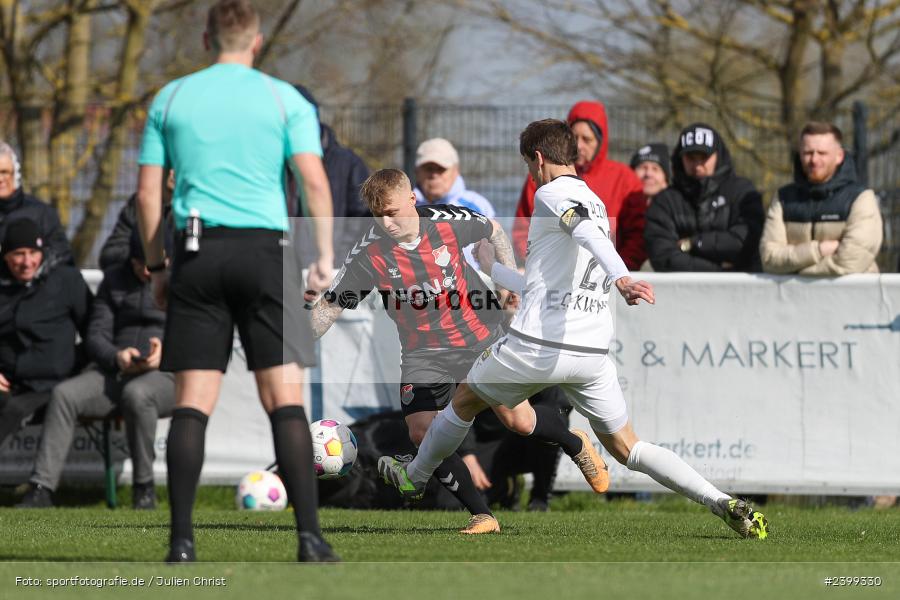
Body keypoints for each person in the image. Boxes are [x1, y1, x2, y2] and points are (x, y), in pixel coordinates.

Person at [379, 119, 769, 540]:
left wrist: (621, 278)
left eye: (529, 164)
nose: (530, 173)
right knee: (629, 448)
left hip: (538, 345)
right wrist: (494, 270)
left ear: (540, 159)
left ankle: (415, 476)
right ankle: (722, 501)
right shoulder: (595, 200)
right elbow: (542, 281)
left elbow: (584, 233)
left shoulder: (551, 192)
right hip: (592, 354)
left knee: (462, 402)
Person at [136, 0, 336, 563]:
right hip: (266, 253)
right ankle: (310, 539)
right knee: (285, 401)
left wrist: (157, 268)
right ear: (256, 40)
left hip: (197, 253)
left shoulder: (170, 97)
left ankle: (180, 543)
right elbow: (314, 180)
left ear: (206, 39)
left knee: (192, 403)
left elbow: (150, 195)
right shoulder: (284, 98)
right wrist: (321, 255)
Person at [308, 168, 606, 532]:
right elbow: (332, 305)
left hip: (479, 336)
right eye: (377, 214)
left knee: (519, 420)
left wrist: (506, 279)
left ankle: (573, 441)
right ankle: (483, 516)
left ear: (412, 201)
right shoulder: (370, 254)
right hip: (423, 354)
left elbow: (493, 229)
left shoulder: (449, 222)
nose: (386, 222)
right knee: (423, 434)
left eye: (392, 212)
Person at [17, 230, 176, 509]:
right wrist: (117, 356)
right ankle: (41, 488)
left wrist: (164, 353)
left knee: (138, 394)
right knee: (65, 395)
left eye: (153, 266)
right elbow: (95, 335)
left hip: (165, 375)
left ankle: (144, 489)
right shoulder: (114, 280)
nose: (146, 273)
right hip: (117, 370)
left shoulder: (184, 281)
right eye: (140, 265)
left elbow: (196, 333)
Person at [511, 101, 646, 270]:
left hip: (605, 279)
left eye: (587, 139)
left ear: (600, 141)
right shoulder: (541, 177)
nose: (580, 146)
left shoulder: (624, 178)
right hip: (554, 274)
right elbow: (523, 229)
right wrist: (538, 264)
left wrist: (616, 270)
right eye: (575, 138)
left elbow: (637, 234)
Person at [0, 219, 91, 447]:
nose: (27, 262)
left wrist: (73, 368)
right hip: (10, 382)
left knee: (11, 410)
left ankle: (41, 483)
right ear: (5, 256)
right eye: (19, 254)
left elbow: (95, 332)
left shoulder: (67, 281)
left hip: (54, 384)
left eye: (33, 252)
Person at [760, 121, 883, 275]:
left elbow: (850, 263)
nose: (814, 160)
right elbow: (769, 259)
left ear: (839, 156)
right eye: (808, 153)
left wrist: (798, 274)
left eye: (822, 153)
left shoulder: (861, 198)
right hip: (795, 298)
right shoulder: (783, 198)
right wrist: (819, 250)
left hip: (852, 297)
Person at [644, 123, 765, 272]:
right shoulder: (665, 201)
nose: (697, 164)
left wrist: (692, 243)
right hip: (682, 291)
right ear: (680, 158)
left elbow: (744, 242)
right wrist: (719, 268)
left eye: (703, 157)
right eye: (690, 157)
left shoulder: (742, 192)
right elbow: (663, 256)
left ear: (718, 156)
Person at [291, 84, 372, 263]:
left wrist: (339, 255)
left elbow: (360, 215)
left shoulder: (348, 163)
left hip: (334, 263)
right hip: (285, 263)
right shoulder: (279, 161)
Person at [414, 138, 495, 269]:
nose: (434, 175)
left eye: (441, 169)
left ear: (455, 170)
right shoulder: (403, 209)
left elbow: (494, 255)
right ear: (417, 172)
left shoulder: (477, 206)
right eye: (428, 169)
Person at [0, 142, 73, 266]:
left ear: (15, 173)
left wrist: (35, 267)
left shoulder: (41, 213)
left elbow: (62, 253)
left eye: (4, 172)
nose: (0, 179)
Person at [99, 170, 175, 271]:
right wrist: (142, 257)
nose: (172, 173)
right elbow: (109, 255)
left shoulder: (197, 209)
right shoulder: (138, 206)